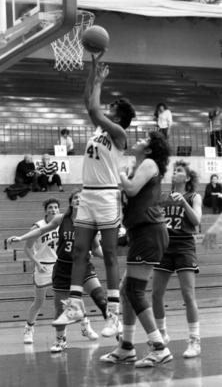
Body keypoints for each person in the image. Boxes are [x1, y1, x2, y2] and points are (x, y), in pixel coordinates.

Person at [52, 53, 136, 337]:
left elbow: (93, 109)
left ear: (119, 116)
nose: (106, 109)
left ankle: (113, 313)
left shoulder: (119, 133)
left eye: (111, 107)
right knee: (79, 251)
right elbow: (90, 104)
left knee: (110, 255)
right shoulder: (100, 129)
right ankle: (75, 304)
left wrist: (99, 81)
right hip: (87, 195)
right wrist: (92, 71)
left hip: (106, 196)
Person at [100, 131, 172, 367]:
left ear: (150, 150)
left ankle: (159, 347)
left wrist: (119, 170)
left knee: (135, 291)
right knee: (125, 290)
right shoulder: (141, 166)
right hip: (141, 233)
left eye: (144, 140)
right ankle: (126, 348)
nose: (138, 141)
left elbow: (130, 189)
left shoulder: (149, 163)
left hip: (149, 232)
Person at [8, 189, 108, 352]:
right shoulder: (61, 219)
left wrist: (109, 258)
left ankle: (107, 326)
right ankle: (59, 339)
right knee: (57, 306)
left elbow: (96, 248)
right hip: (59, 266)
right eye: (75, 198)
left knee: (98, 296)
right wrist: (21, 237)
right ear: (71, 202)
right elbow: (40, 232)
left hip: (81, 266)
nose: (78, 200)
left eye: (81, 198)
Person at [152, 160, 202, 359]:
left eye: (179, 170)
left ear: (187, 178)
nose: (175, 173)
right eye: (174, 170)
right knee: (156, 294)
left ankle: (194, 340)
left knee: (188, 295)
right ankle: (162, 334)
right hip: (164, 247)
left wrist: (183, 202)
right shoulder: (164, 197)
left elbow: (197, 221)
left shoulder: (193, 196)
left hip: (184, 246)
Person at [7, 198, 61, 344]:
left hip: (59, 264)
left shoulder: (63, 224)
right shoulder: (38, 226)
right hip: (43, 265)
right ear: (46, 210)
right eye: (50, 207)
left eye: (56, 207)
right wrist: (37, 263)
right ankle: (29, 328)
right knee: (39, 301)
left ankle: (82, 325)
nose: (53, 210)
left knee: (65, 299)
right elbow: (27, 248)